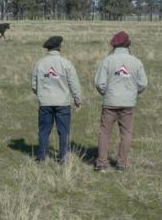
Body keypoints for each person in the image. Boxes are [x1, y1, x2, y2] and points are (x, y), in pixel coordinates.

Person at [94, 31, 147, 172]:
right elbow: (143, 84)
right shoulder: (136, 62)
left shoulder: (107, 60)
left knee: (105, 133)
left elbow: (99, 83)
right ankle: (121, 164)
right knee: (127, 134)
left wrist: (107, 93)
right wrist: (133, 94)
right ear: (127, 44)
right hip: (128, 104)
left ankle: (102, 163)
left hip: (110, 102)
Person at [31, 36, 82, 163]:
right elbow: (74, 84)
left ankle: (42, 157)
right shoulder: (66, 63)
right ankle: (63, 157)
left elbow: (34, 85)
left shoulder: (40, 63)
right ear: (59, 47)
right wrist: (77, 99)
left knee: (44, 131)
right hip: (63, 103)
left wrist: (42, 94)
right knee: (63, 131)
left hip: (45, 103)